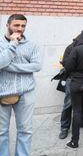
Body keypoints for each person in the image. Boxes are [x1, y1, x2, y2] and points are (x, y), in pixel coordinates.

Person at [0, 14, 41, 156]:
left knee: (25, 130)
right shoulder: (0, 43)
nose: (20, 28)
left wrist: (9, 66)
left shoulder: (32, 45)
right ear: (7, 25)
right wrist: (12, 45)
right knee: (1, 132)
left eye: (23, 26)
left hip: (26, 92)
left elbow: (36, 66)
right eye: (16, 25)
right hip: (2, 92)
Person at [58, 34, 79, 140]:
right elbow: (65, 63)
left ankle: (82, 122)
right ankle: (64, 128)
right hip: (71, 79)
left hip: (82, 79)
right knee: (68, 104)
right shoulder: (70, 48)